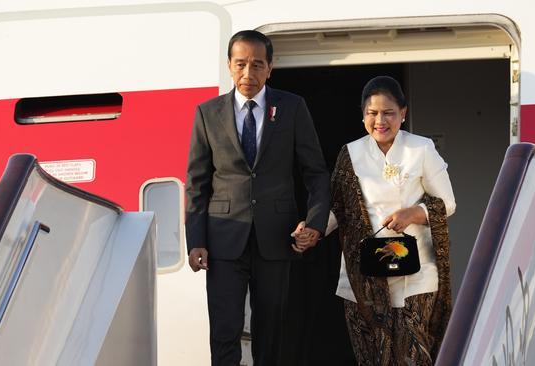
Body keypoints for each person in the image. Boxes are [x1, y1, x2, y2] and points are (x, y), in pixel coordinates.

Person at [185, 30, 330, 366]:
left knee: (271, 331)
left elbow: (316, 172)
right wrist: (196, 240)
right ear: (229, 66)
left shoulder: (293, 107)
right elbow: (196, 182)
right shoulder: (208, 113)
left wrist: (316, 223)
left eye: (257, 64)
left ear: (270, 68)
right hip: (223, 240)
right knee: (224, 329)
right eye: (240, 64)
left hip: (277, 238)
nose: (248, 73)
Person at [294, 75, 456, 365]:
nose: (380, 120)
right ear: (363, 115)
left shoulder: (420, 148)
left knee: (413, 355)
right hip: (364, 275)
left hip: (415, 271)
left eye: (388, 113)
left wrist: (412, 214)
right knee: (372, 357)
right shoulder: (351, 153)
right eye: (372, 113)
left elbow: (448, 203)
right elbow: (338, 209)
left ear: (403, 114)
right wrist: (314, 229)